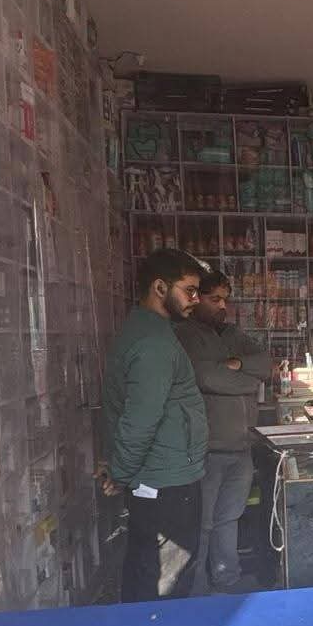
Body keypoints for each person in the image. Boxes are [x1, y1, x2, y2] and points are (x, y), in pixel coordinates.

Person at [101, 249, 208, 602]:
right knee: (166, 583)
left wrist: (121, 468)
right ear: (160, 287)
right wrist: (120, 473)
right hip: (166, 481)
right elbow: (140, 419)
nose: (196, 299)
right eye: (189, 290)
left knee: (149, 571)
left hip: (160, 476)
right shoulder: (153, 344)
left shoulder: (150, 332)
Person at [175, 271, 272, 595]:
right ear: (196, 298)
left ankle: (226, 580)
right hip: (207, 449)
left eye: (225, 300)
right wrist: (249, 380)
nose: (222, 306)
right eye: (214, 299)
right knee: (201, 524)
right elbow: (206, 377)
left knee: (229, 518)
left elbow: (266, 364)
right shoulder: (185, 334)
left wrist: (236, 365)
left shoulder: (232, 334)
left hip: (241, 447)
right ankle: (197, 589)